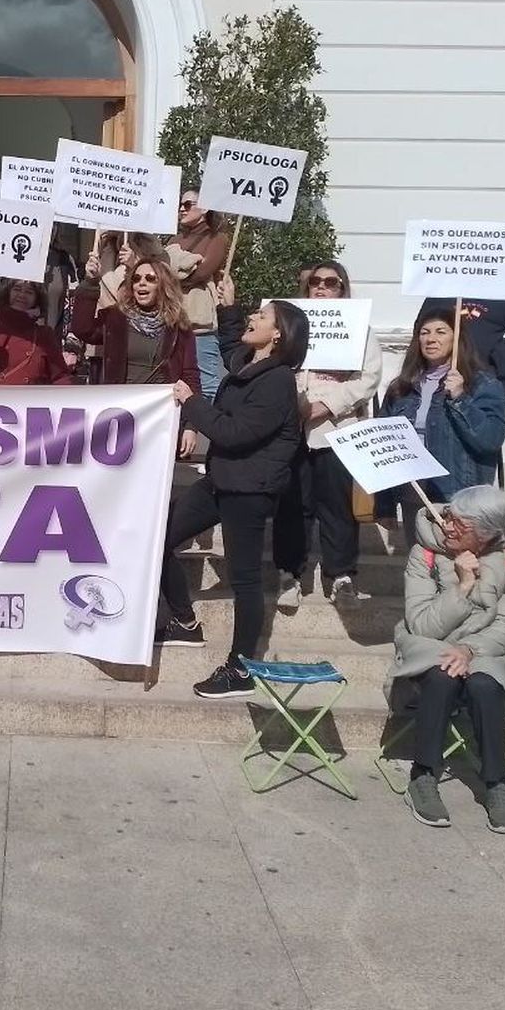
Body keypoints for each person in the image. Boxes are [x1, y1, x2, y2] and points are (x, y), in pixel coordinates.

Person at [155, 279, 308, 698]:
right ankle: (185, 622)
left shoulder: (277, 381)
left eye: (262, 315)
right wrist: (228, 308)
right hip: (221, 480)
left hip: (250, 489)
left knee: (245, 580)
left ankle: (240, 670)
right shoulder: (248, 365)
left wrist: (192, 402)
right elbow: (230, 347)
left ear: (278, 335)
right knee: (158, 538)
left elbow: (235, 433)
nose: (254, 317)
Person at [389, 485, 505, 834]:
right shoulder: (425, 552)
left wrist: (469, 650)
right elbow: (421, 623)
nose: (448, 527)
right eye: (449, 517)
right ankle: (423, 775)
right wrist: (463, 587)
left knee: (484, 685)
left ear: (486, 534)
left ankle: (496, 782)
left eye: (460, 525)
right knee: (442, 676)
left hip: (484, 648)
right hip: (429, 643)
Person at [272, 260, 382, 610]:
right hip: (292, 427)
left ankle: (341, 575)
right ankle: (289, 573)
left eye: (330, 282)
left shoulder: (360, 328)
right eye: (315, 282)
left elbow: (368, 378)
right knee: (293, 503)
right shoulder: (288, 326)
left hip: (336, 428)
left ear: (342, 288)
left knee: (337, 505)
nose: (321, 287)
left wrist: (327, 405)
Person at [377, 308, 505, 523]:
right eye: (424, 332)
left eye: (441, 332)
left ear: (456, 339)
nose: (431, 339)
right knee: (417, 547)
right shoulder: (402, 388)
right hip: (414, 496)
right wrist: (384, 504)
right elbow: (384, 446)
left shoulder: (482, 385)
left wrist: (460, 398)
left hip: (459, 500)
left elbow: (490, 439)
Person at [72, 239, 202, 434]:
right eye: (136, 278)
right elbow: (83, 329)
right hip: (120, 411)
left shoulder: (179, 326)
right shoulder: (116, 318)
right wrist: (90, 283)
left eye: (150, 279)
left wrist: (191, 426)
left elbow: (190, 376)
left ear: (163, 285)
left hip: (160, 415)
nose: (141, 283)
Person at [417, 296, 505, 410]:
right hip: (441, 377)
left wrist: (499, 359)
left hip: (482, 378)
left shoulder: (502, 288)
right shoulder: (441, 287)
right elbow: (420, 327)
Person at [167, 190, 231, 400]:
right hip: (173, 320)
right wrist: (191, 261)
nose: (181, 209)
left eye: (187, 204)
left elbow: (202, 273)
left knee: (207, 383)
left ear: (204, 208)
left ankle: (208, 419)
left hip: (200, 324)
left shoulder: (217, 238)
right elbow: (162, 272)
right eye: (180, 204)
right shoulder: (174, 239)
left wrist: (175, 265)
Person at [0, 279, 73, 385]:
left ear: (37, 299)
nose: (22, 295)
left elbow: (60, 376)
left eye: (29, 292)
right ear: (7, 293)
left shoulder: (44, 335)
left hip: (29, 400)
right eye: (17, 289)